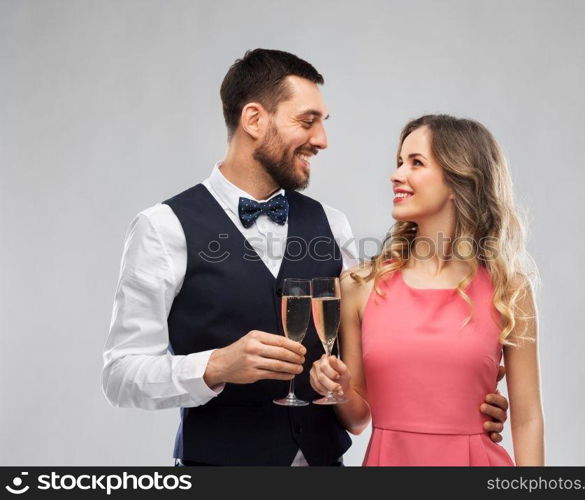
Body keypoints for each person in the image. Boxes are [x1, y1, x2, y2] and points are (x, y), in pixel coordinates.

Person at [101, 49, 511, 466]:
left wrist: (466, 404)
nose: (322, 140)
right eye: (307, 121)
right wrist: (215, 366)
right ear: (254, 119)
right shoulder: (162, 227)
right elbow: (120, 376)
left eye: (322, 123)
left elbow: (377, 363)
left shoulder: (334, 226)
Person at [310, 114, 544, 466]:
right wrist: (338, 389)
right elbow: (358, 419)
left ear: (459, 178)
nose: (397, 174)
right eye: (399, 162)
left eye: (416, 163)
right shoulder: (360, 287)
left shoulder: (509, 289)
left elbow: (527, 419)